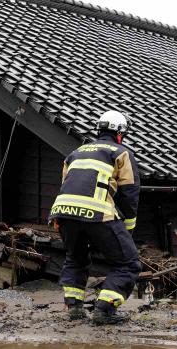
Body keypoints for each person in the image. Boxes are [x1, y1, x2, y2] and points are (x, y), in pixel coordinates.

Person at [49, 110, 141, 325]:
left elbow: (67, 184)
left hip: (64, 213)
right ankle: (104, 310)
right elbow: (129, 193)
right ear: (121, 133)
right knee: (128, 263)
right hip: (97, 212)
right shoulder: (121, 152)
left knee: (75, 258)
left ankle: (74, 308)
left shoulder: (76, 153)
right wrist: (127, 229)